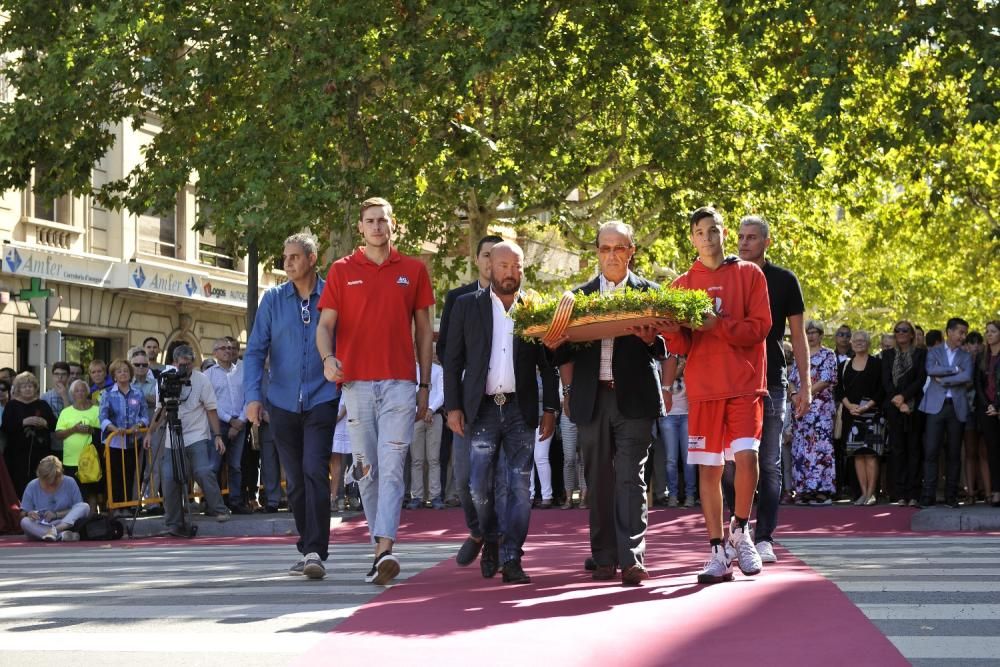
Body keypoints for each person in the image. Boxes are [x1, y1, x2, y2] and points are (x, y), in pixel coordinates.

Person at [317, 197, 434, 586]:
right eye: (370, 221)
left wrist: (424, 386)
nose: (377, 227)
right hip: (356, 384)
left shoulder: (415, 270)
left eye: (383, 220)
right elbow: (325, 325)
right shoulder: (340, 270)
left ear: (393, 225)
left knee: (393, 463)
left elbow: (424, 333)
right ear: (361, 228)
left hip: (400, 383)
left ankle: (385, 549)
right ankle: (378, 552)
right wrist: (326, 358)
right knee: (367, 471)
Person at [550, 221, 667, 587]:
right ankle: (603, 557)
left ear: (632, 251)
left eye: (619, 248)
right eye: (605, 248)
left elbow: (666, 347)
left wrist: (651, 340)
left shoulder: (651, 293)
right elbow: (563, 351)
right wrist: (553, 343)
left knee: (631, 481)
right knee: (598, 482)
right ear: (596, 252)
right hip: (592, 400)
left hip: (635, 401)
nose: (612, 254)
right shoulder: (576, 298)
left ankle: (631, 559)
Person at [659, 207, 770, 585]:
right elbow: (679, 344)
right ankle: (717, 550)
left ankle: (741, 529)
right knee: (710, 469)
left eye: (713, 230)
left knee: (747, 458)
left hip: (743, 384)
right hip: (704, 390)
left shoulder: (750, 274)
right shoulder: (681, 285)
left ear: (724, 233)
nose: (707, 238)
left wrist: (717, 325)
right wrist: (659, 331)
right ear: (691, 238)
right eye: (699, 232)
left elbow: (760, 328)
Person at [443, 241, 558, 584]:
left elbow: (548, 365)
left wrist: (551, 407)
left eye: (517, 266)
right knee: (478, 486)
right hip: (481, 411)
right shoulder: (466, 306)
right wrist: (452, 407)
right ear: (489, 267)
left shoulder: (535, 309)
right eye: (504, 265)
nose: (511, 272)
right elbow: (452, 361)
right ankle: (489, 538)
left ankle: (512, 557)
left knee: (520, 487)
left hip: (520, 410)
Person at [244, 233, 339, 577]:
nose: (287, 263)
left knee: (315, 469)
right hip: (282, 402)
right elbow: (255, 351)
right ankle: (307, 544)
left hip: (323, 397)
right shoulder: (272, 300)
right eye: (285, 257)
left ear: (312, 259)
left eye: (295, 257)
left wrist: (347, 391)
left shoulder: (333, 295)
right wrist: (252, 397)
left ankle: (315, 550)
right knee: (295, 481)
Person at [723, 214, 811, 564]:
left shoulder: (785, 280)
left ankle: (764, 538)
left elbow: (798, 335)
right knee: (730, 464)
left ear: (766, 242)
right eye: (741, 237)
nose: (744, 243)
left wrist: (803, 384)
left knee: (769, 463)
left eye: (752, 237)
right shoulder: (725, 276)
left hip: (771, 380)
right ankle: (737, 530)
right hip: (730, 380)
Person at [437, 234, 503, 566]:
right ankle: (477, 531)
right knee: (463, 480)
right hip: (468, 403)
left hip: (506, 402)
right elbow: (447, 353)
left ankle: (495, 541)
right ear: (477, 260)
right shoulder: (458, 299)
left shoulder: (517, 300)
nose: (492, 262)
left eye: (499, 256)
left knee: (496, 480)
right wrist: (453, 405)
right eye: (487, 256)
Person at [143, 345, 231, 535]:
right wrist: (150, 432)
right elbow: (160, 410)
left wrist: (217, 436)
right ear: (175, 363)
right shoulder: (165, 379)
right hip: (172, 436)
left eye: (189, 365)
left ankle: (219, 508)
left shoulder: (202, 380)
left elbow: (211, 408)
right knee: (168, 478)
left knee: (203, 470)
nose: (185, 369)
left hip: (197, 434)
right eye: (182, 365)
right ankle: (173, 522)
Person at [918, 318, 972, 508]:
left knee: (954, 453)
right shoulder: (934, 351)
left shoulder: (965, 355)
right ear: (949, 331)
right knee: (931, 452)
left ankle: (951, 496)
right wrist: (954, 370)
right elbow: (930, 370)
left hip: (956, 407)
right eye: (960, 332)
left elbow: (967, 376)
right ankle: (928, 496)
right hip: (935, 407)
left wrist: (946, 379)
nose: (963, 336)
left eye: (965, 333)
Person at [788, 321, 839, 505]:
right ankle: (803, 490)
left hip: (820, 410)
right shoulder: (800, 355)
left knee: (820, 448)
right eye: (807, 332)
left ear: (821, 334)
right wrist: (794, 395)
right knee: (801, 448)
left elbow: (827, 379)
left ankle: (822, 490)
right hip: (801, 411)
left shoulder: (828, 355)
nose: (810, 336)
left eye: (814, 332)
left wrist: (805, 393)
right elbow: (791, 379)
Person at [881, 320, 927, 507]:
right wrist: (897, 400)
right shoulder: (887, 355)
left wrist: (905, 397)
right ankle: (900, 494)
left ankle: (914, 493)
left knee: (915, 450)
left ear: (911, 334)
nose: (900, 333)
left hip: (915, 406)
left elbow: (921, 378)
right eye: (897, 330)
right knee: (898, 450)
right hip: (894, 407)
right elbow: (885, 380)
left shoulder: (921, 354)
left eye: (904, 330)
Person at [836, 331, 884, 505]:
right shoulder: (844, 365)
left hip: (872, 415)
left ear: (868, 343)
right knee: (857, 455)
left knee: (870, 455)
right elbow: (839, 390)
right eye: (855, 340)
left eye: (862, 340)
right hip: (852, 415)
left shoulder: (877, 363)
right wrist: (849, 406)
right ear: (851, 343)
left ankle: (871, 493)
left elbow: (881, 389)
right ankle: (863, 493)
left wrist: (866, 406)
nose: (858, 343)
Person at [204, 337, 252, 514]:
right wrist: (229, 420)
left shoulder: (243, 370)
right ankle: (214, 505)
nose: (228, 351)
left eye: (231, 348)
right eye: (223, 348)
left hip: (240, 423)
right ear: (215, 352)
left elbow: (250, 395)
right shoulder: (208, 375)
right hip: (218, 425)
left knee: (235, 465)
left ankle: (236, 501)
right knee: (214, 466)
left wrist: (240, 421)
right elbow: (210, 402)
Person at [99, 359, 150, 511]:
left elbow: (144, 415)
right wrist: (113, 428)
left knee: (130, 473)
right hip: (114, 441)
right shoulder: (107, 393)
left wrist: (138, 425)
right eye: (119, 371)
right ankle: (115, 506)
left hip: (133, 441)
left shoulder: (138, 393)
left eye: (126, 371)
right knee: (115, 474)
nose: (123, 373)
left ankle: (128, 505)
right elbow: (102, 417)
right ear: (114, 376)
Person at [1, 372, 56, 497]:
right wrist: (22, 422)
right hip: (16, 455)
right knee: (18, 486)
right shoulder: (12, 405)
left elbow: (54, 425)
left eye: (30, 386)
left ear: (35, 387)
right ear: (18, 389)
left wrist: (45, 423)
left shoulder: (43, 404)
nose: (27, 389)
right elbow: (5, 427)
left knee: (40, 483)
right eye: (24, 386)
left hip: (40, 452)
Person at [19, 456, 91, 541]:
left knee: (84, 506)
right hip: (41, 525)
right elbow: (22, 513)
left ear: (58, 475)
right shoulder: (32, 485)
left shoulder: (70, 482)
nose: (48, 484)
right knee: (24, 522)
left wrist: (56, 515)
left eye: (51, 481)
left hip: (64, 522)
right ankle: (61, 535)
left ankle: (55, 531)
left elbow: (77, 509)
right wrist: (29, 513)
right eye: (44, 480)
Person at [656, 355, 696, 508]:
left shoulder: (690, 362)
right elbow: (666, 381)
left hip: (687, 415)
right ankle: (672, 495)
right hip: (668, 416)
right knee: (671, 459)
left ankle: (690, 495)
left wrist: (685, 367)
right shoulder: (661, 364)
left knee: (688, 459)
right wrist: (679, 368)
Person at [407, 356, 445, 510]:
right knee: (416, 459)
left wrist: (430, 409)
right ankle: (416, 496)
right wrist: (420, 411)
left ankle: (435, 496)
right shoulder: (412, 370)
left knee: (434, 459)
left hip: (434, 417)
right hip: (415, 417)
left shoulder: (438, 370)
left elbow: (442, 393)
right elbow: (409, 394)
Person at [54, 379, 101, 499]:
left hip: (91, 460)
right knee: (73, 493)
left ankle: (91, 516)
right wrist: (73, 429)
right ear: (72, 394)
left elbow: (104, 433)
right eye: (76, 391)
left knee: (92, 492)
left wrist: (92, 430)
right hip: (71, 460)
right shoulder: (66, 412)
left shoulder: (96, 410)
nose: (80, 393)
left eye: (82, 390)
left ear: (87, 392)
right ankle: (77, 517)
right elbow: (58, 435)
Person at [974, 321, 1000, 506]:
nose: (988, 334)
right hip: (986, 409)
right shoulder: (982, 356)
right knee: (993, 452)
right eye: (987, 331)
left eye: (993, 332)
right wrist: (988, 405)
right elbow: (978, 384)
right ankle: (996, 491)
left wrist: (997, 405)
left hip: (998, 407)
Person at [962, 331, 989, 503]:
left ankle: (987, 492)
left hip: (984, 410)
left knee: (985, 453)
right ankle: (970, 492)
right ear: (965, 346)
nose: (975, 346)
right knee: (970, 453)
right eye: (971, 343)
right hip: (966, 411)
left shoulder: (987, 361)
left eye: (978, 343)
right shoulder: (961, 361)